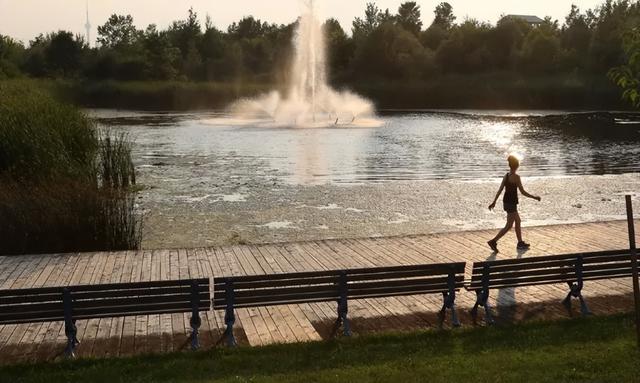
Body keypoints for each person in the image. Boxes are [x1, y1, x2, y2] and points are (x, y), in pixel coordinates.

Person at [487, 154, 541, 252]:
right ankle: (493, 241)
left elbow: (500, 189)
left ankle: (520, 242)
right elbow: (523, 192)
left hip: (506, 202)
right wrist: (534, 197)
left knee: (518, 221)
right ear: (517, 166)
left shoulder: (506, 176)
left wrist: (494, 202)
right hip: (511, 203)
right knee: (508, 225)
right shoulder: (516, 177)